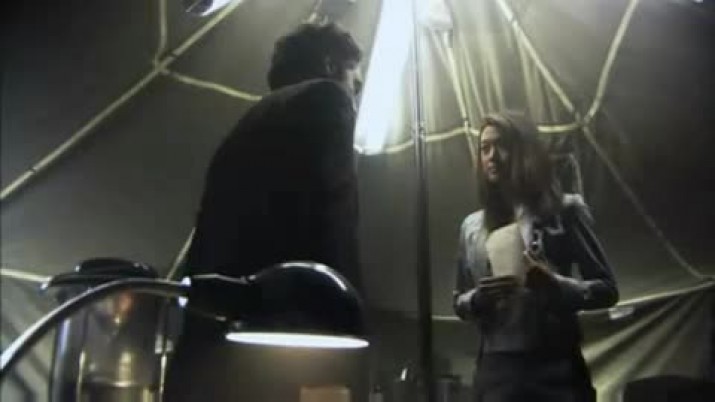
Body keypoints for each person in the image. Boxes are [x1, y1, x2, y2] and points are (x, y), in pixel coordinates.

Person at [163, 23, 365, 401]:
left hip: (217, 343)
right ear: (331, 65)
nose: (356, 89)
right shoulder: (326, 100)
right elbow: (332, 222)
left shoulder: (248, 126)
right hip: (280, 336)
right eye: (354, 77)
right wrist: (345, 318)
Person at [453, 112, 619, 402]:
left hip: (556, 368)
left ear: (523, 150)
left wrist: (556, 285)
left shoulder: (565, 211)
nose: (492, 156)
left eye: (501, 145)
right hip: (497, 370)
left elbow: (607, 289)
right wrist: (478, 299)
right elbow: (458, 300)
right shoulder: (472, 227)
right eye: (485, 148)